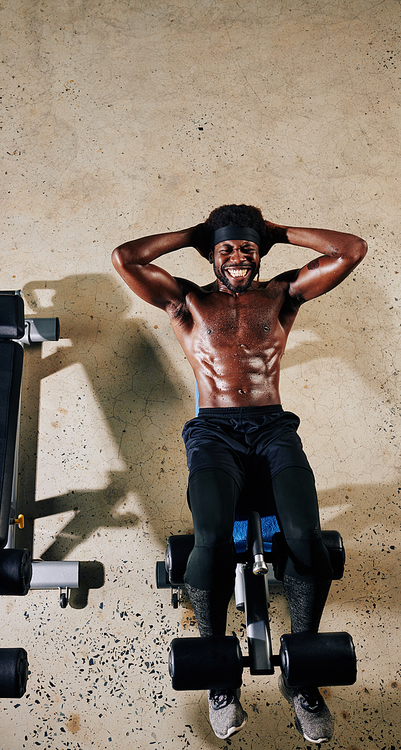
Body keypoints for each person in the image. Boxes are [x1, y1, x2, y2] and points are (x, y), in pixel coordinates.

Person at [111, 204, 367, 743]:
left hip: (273, 428)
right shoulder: (187, 302)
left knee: (305, 537)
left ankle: (304, 679)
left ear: (260, 253)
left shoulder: (281, 295)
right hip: (214, 434)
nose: (238, 257)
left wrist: (276, 232)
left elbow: (351, 249)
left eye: (248, 248)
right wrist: (194, 235)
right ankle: (218, 677)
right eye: (226, 248)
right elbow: (125, 258)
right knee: (210, 538)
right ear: (211, 253)